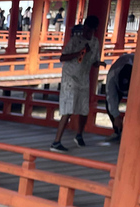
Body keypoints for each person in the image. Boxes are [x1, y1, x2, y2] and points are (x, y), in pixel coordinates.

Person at [50, 16, 104, 152]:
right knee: (68, 109)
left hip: (84, 78)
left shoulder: (95, 43)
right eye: (85, 29)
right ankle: (56, 141)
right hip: (70, 77)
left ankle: (79, 135)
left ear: (94, 31)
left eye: (89, 30)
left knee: (84, 109)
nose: (86, 32)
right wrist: (77, 53)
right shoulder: (75, 41)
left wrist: (99, 63)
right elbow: (62, 57)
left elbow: (94, 61)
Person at [104, 53, 134, 141]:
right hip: (118, 85)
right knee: (109, 104)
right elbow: (110, 96)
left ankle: (132, 133)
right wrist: (116, 116)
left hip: (137, 85)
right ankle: (117, 131)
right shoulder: (112, 75)